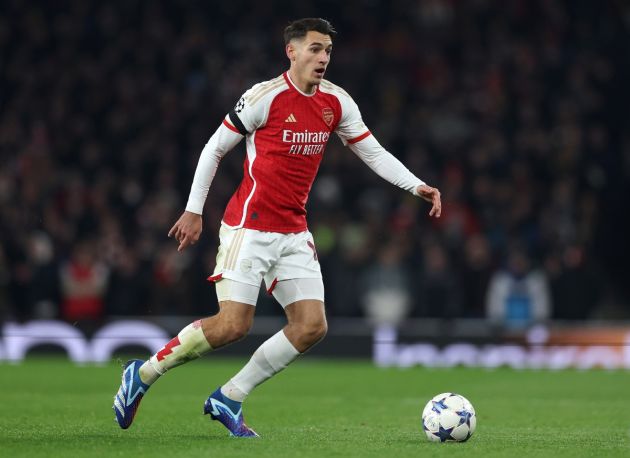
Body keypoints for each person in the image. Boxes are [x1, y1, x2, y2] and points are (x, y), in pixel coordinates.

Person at [113, 17, 442, 437]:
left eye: (327, 51)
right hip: (249, 227)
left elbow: (373, 153)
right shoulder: (264, 97)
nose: (323, 57)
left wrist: (416, 185)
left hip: (293, 230)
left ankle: (229, 396)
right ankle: (142, 375)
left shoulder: (337, 103)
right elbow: (214, 149)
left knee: (311, 326)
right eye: (315, 49)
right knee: (234, 325)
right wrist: (194, 210)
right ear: (292, 51)